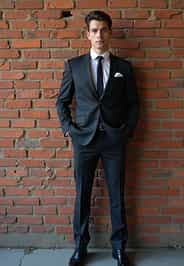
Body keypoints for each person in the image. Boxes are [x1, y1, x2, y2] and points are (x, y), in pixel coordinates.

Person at [56, 10, 139, 266]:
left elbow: (133, 104)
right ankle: (80, 247)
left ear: (110, 33)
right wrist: (69, 129)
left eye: (103, 29)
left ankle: (118, 249)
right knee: (83, 194)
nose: (99, 35)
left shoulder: (123, 68)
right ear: (87, 34)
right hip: (84, 141)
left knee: (117, 194)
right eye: (94, 30)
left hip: (114, 140)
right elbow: (62, 102)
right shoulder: (74, 65)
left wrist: (126, 132)